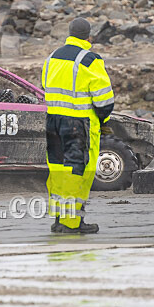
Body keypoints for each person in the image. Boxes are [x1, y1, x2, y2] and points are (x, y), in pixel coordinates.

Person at [41, 18, 114, 234]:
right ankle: (72, 223)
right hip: (78, 123)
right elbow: (104, 100)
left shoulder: (52, 57)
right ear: (89, 36)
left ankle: (58, 220)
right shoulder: (90, 60)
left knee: (58, 170)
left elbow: (45, 85)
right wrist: (103, 120)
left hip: (53, 121)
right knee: (78, 171)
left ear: (69, 34)